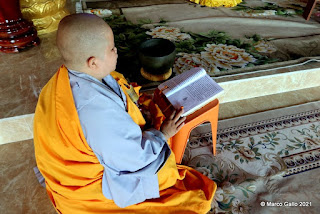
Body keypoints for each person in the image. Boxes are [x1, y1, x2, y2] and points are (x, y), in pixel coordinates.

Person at [33, 13, 216, 214]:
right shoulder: (97, 111)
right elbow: (133, 158)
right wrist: (163, 134)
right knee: (175, 182)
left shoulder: (65, 78)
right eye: (112, 48)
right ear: (93, 63)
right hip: (88, 187)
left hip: (83, 156)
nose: (116, 51)